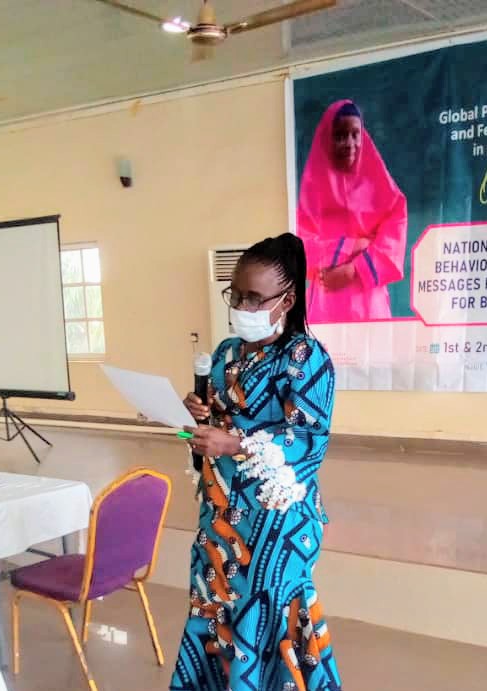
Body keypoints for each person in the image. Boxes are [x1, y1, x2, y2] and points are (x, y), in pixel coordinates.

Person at [170, 233, 342, 691]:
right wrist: (197, 420)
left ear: (287, 299)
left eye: (253, 297)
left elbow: (308, 438)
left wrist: (234, 443)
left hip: (275, 526)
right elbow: (210, 435)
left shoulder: (305, 357)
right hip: (220, 517)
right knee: (215, 610)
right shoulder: (226, 353)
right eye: (235, 294)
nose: (242, 306)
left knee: (265, 619)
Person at [297, 99, 408, 323]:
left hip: (369, 302)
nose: (350, 143)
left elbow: (393, 241)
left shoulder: (381, 188)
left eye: (355, 134)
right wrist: (355, 245)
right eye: (340, 136)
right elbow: (302, 249)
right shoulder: (313, 191)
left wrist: (354, 270)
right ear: (327, 140)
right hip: (326, 301)